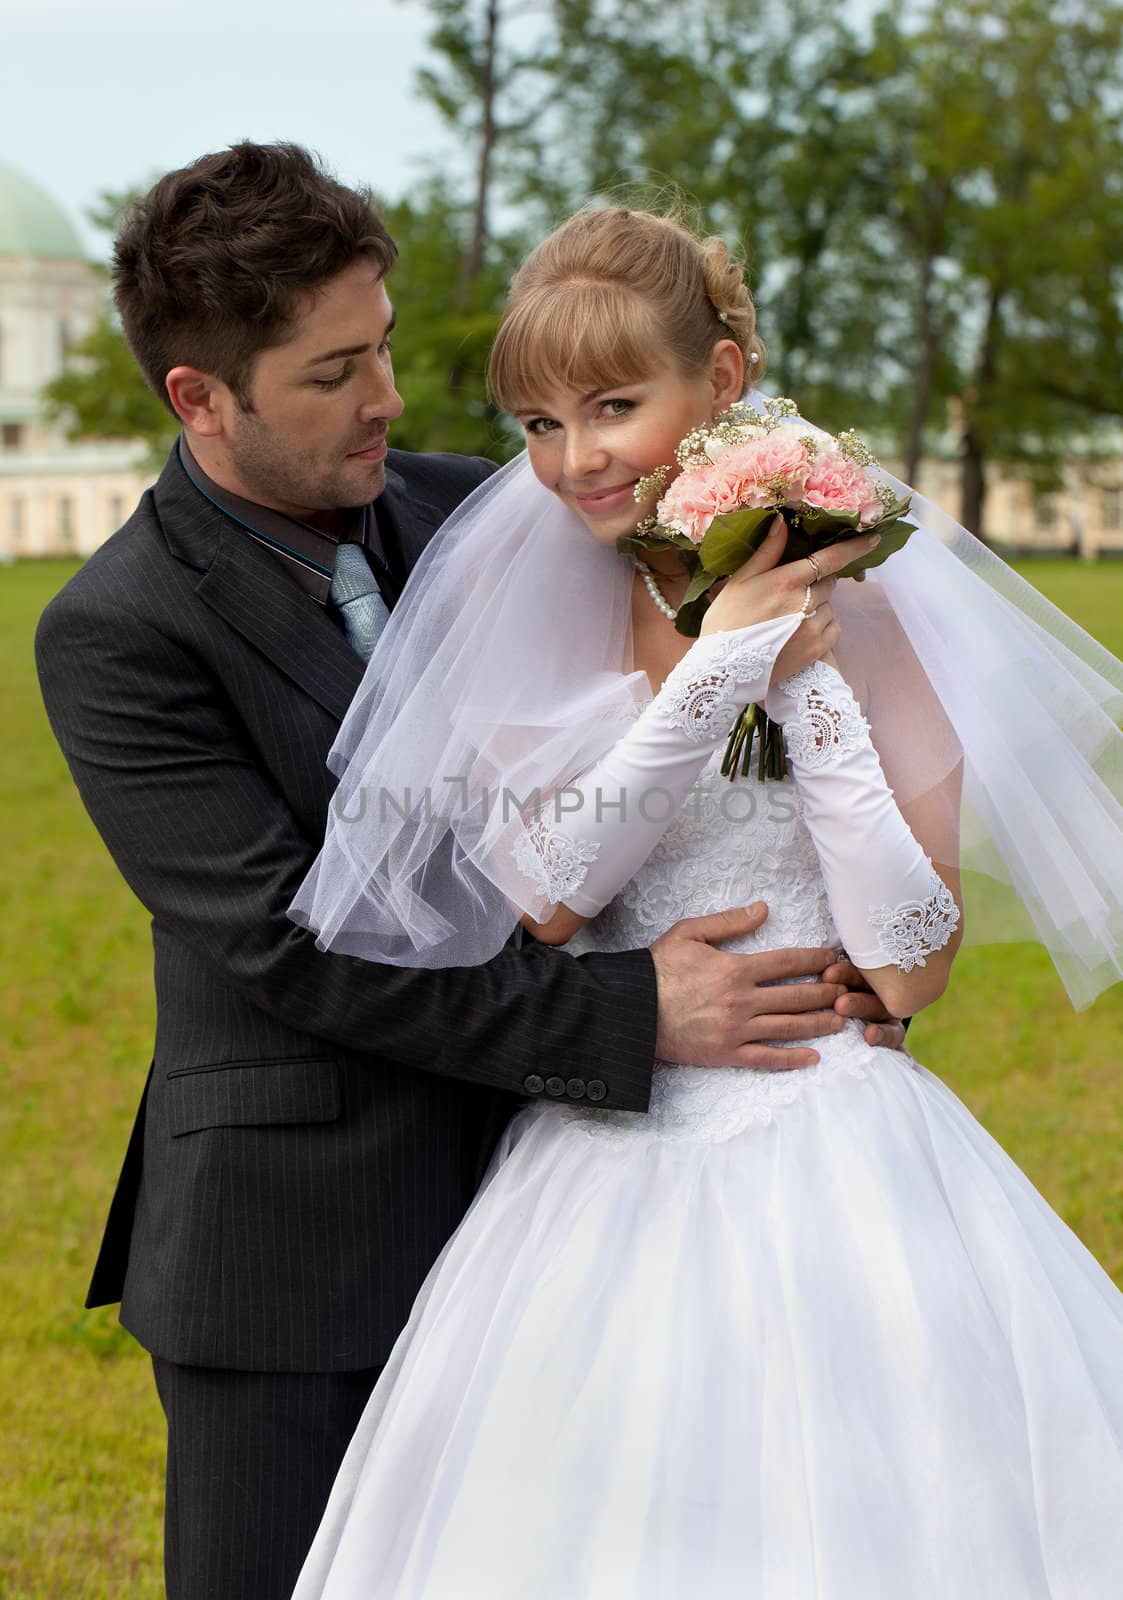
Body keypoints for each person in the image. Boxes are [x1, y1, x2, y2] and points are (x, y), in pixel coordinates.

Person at [34, 147, 903, 1600]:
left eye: (379, 348)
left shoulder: (489, 512)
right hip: (296, 1259)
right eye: (333, 373)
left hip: (554, 1233)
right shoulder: (118, 632)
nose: (385, 397)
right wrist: (638, 1016)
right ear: (202, 397)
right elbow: (295, 947)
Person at [290, 206, 1123, 1597]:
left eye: (613, 406)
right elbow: (546, 904)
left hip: (839, 1137)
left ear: (722, 384)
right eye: (541, 423)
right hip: (605, 1155)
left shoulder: (873, 606)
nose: (575, 460)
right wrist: (718, 670)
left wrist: (807, 678)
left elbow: (911, 967)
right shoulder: (522, 599)